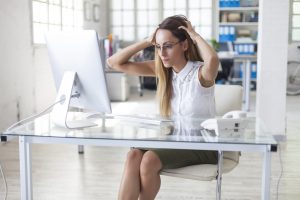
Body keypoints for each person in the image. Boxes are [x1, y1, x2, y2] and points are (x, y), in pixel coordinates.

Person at [107, 15, 219, 200]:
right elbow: (114, 63)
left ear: (184, 45)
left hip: (202, 145)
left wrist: (194, 35)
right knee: (133, 155)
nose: (162, 53)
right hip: (175, 140)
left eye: (167, 46)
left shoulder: (200, 74)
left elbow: (213, 59)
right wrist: (147, 41)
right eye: (158, 47)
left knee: (149, 160)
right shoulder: (164, 71)